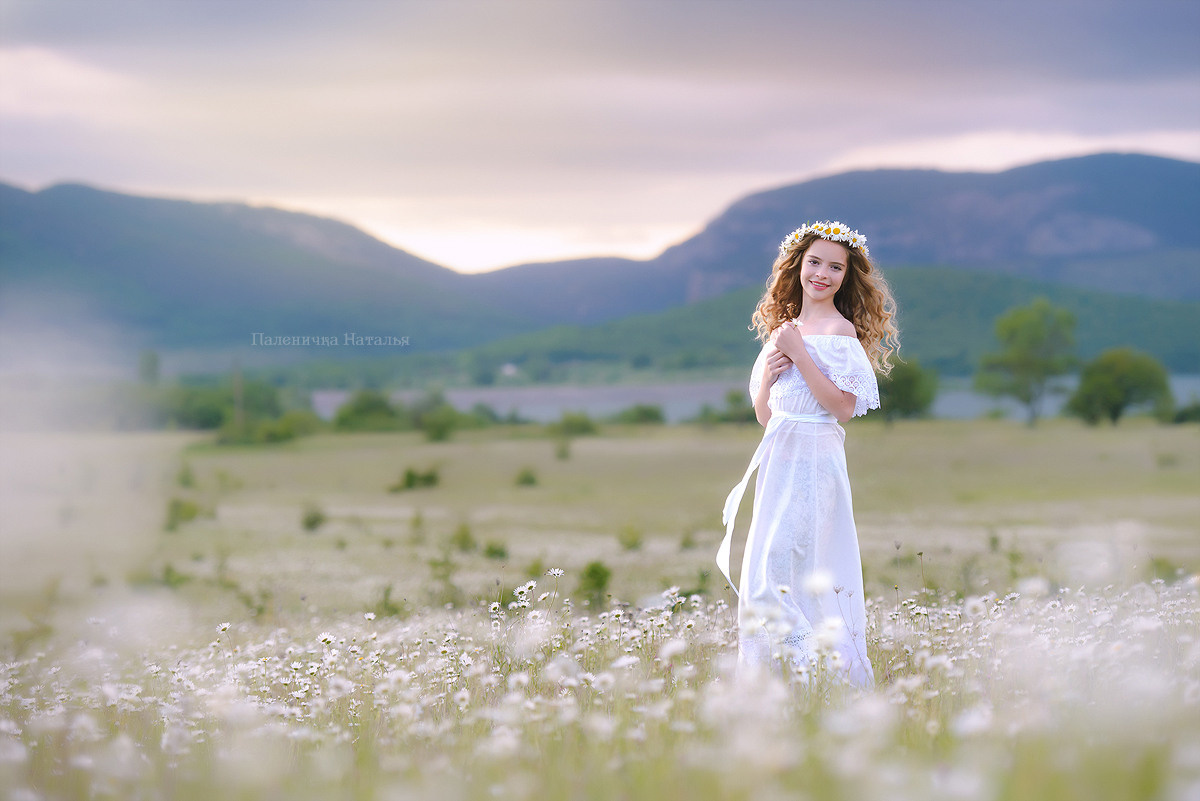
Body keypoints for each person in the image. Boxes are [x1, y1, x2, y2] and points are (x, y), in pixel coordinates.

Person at [716, 221, 898, 686]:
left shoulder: (839, 331)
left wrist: (801, 356)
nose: (822, 274)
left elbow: (843, 408)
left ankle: (820, 672)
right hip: (778, 461)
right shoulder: (784, 332)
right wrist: (772, 375)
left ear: (846, 276)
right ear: (797, 266)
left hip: (816, 461)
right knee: (768, 571)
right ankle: (778, 682)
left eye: (835, 267)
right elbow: (766, 416)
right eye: (814, 262)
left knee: (784, 570)